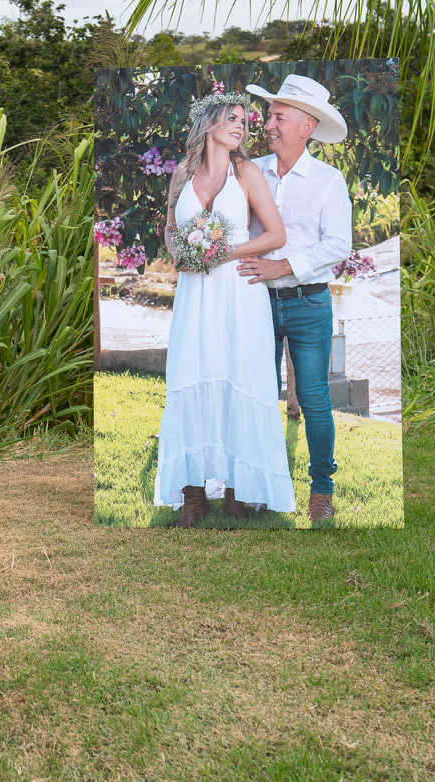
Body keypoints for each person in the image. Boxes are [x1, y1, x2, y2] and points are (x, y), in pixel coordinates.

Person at [153, 93, 296, 527]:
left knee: (240, 377)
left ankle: (238, 492)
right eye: (232, 118)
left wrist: (226, 251)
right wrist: (185, 256)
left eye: (244, 121)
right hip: (196, 296)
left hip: (238, 293)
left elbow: (276, 234)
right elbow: (172, 232)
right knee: (192, 374)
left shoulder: (247, 172)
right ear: (208, 123)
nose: (241, 126)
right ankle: (193, 496)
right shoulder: (182, 174)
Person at [238, 74, 353, 522]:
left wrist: (282, 266)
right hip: (257, 303)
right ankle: (262, 485)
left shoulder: (328, 181)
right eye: (269, 114)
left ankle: (321, 490)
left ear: (306, 126)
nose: (268, 123)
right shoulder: (250, 171)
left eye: (278, 116)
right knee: (261, 394)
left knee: (315, 399)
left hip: (309, 303)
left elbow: (338, 245)